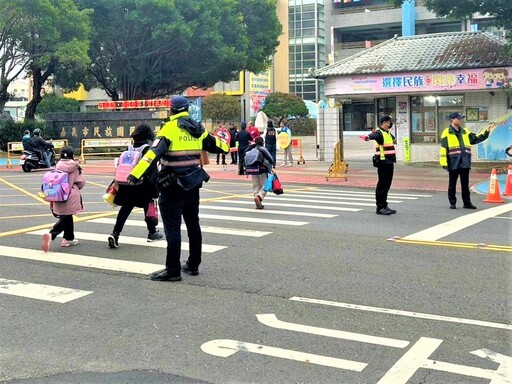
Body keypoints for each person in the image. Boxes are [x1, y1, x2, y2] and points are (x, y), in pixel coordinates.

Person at [127, 96, 228, 282]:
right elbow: (220, 147)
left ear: (171, 110)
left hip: (172, 187)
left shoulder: (169, 129)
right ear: (187, 110)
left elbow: (152, 154)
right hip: (192, 185)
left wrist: (135, 174)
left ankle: (173, 270)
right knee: (193, 225)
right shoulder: (198, 129)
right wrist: (226, 144)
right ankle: (193, 264)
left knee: (172, 229)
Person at [107, 123, 163, 248]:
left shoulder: (129, 149)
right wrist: (155, 191)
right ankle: (152, 233)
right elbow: (152, 172)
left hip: (128, 185)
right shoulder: (148, 150)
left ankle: (115, 234)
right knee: (149, 208)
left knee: (125, 210)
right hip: (143, 186)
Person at [440, 112, 491, 209]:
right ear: (452, 119)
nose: (460, 120)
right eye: (458, 118)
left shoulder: (465, 131)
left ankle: (467, 203)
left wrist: (486, 132)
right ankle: (452, 202)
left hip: (465, 162)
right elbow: (443, 148)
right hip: (453, 162)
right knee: (452, 184)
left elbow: (475, 139)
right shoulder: (446, 132)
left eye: (461, 118)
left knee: (465, 184)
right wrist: (444, 163)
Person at [41, 146, 86, 252]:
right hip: (69, 195)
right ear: (72, 155)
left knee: (67, 216)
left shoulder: (58, 165)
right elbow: (82, 182)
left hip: (57, 195)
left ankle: (68, 239)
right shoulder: (74, 167)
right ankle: (51, 234)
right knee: (65, 218)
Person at [364, 115, 397, 215]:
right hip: (383, 162)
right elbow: (372, 136)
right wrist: (367, 137)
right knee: (382, 185)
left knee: (387, 185)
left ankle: (384, 205)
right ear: (384, 123)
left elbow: (393, 141)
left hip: (389, 162)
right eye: (389, 122)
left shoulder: (387, 133)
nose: (391, 124)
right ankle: (380, 207)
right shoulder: (379, 132)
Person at [244, 136, 274, 209]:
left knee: (256, 186)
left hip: (253, 170)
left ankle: (257, 202)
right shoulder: (263, 149)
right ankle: (259, 197)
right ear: (262, 142)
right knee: (265, 186)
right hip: (262, 170)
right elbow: (271, 159)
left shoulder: (252, 149)